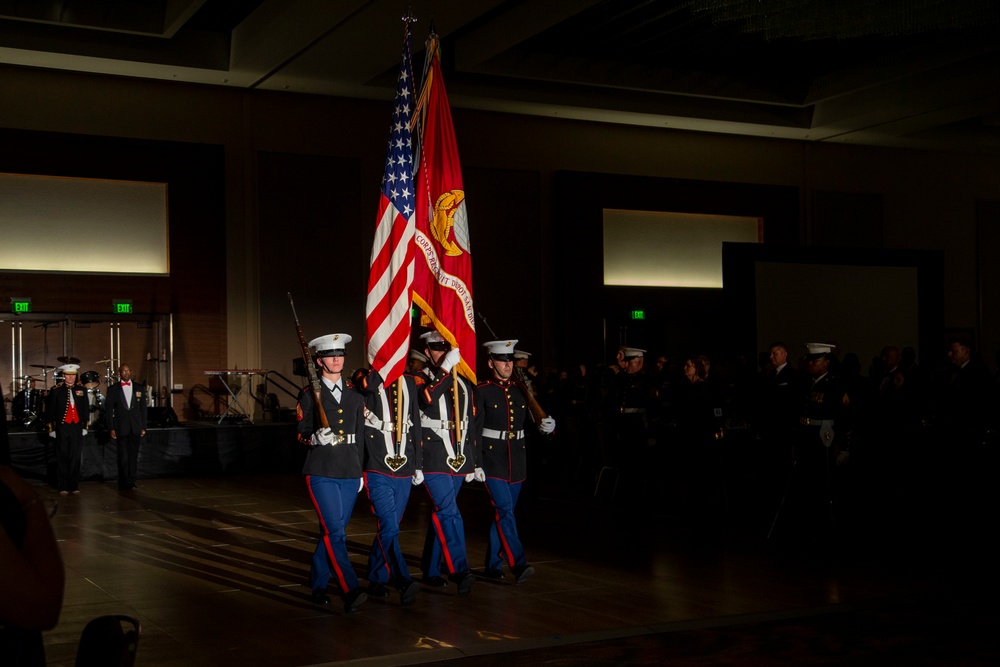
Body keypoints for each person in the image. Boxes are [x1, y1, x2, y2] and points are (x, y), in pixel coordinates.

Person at [296, 333, 368, 614]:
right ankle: (349, 588)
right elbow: (301, 433)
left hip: (350, 470)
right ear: (318, 360)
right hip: (322, 470)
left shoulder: (354, 393)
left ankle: (317, 584)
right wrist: (314, 438)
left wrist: (361, 470)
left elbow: (361, 435)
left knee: (331, 532)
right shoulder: (309, 394)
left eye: (340, 354)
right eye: (330, 355)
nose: (337, 359)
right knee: (335, 532)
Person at [475, 339, 555, 583]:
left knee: (504, 513)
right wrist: (475, 462)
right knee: (504, 511)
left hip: (516, 458)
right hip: (492, 459)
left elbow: (534, 420)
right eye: (502, 360)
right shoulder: (482, 390)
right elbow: (474, 430)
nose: (507, 365)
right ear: (491, 362)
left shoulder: (521, 389)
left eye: (510, 360)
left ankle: (492, 565)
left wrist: (548, 427)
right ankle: (517, 563)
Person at [351, 361, 423, 607]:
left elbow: (416, 423)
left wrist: (419, 464)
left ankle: (376, 578)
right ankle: (402, 579)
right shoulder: (365, 377)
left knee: (389, 528)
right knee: (390, 526)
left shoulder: (410, 382)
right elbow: (367, 385)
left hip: (404, 465)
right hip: (376, 465)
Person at [414, 330, 477, 594]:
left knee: (443, 512)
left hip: (459, 456)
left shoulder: (462, 380)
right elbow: (426, 401)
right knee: (449, 510)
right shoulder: (420, 378)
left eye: (447, 347)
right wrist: (446, 368)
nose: (444, 352)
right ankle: (459, 569)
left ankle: (430, 569)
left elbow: (470, 420)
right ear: (428, 353)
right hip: (433, 454)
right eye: (438, 348)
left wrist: (474, 461)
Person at [46, 364, 89, 495]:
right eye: (68, 375)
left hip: (76, 426)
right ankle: (63, 485)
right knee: (62, 456)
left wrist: (85, 426)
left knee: (75, 457)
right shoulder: (56, 390)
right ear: (63, 376)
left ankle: (74, 485)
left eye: (73, 375)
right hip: (62, 427)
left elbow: (85, 409)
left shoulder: (81, 390)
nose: (71, 377)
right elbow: (50, 411)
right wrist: (51, 428)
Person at [103, 364, 147, 491]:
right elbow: (109, 410)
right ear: (119, 373)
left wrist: (143, 426)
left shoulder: (139, 388)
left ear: (131, 372)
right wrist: (111, 428)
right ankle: (123, 481)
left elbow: (143, 409)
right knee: (123, 456)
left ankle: (132, 481)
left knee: (133, 456)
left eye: (128, 370)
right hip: (120, 428)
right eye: (124, 371)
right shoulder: (113, 389)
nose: (127, 373)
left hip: (135, 428)